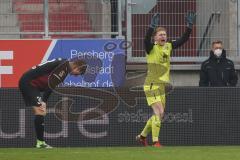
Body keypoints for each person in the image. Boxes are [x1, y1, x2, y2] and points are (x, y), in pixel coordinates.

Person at [136, 12, 196, 147]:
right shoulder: (151, 48)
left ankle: (142, 136)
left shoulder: (168, 46)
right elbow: (145, 40)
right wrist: (151, 27)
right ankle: (156, 142)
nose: (163, 36)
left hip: (162, 85)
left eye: (164, 34)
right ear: (155, 38)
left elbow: (183, 40)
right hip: (151, 84)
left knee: (159, 115)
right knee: (159, 112)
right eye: (160, 34)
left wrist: (189, 26)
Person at [19, 58, 87, 148]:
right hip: (29, 83)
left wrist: (44, 101)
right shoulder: (64, 68)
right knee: (41, 111)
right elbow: (51, 84)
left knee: (40, 111)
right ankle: (40, 143)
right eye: (78, 73)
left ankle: (40, 142)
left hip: (30, 83)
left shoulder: (64, 64)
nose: (76, 76)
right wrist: (44, 101)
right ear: (77, 67)